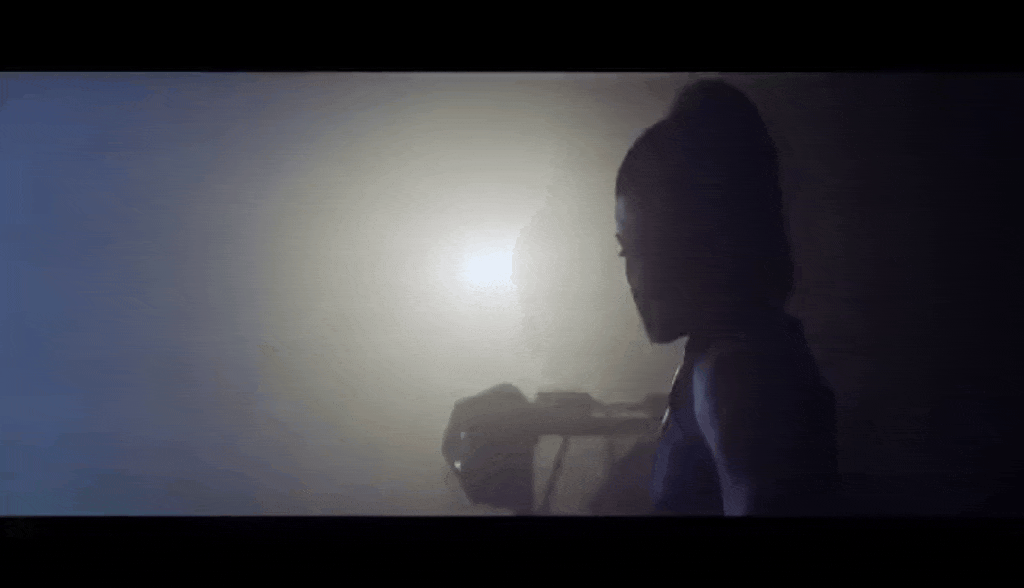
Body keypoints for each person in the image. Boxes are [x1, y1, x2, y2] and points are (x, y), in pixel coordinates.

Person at [614, 78, 841, 516]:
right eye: (624, 251)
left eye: (639, 246)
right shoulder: (726, 355)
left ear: (691, 239)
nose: (632, 276)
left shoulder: (734, 370)